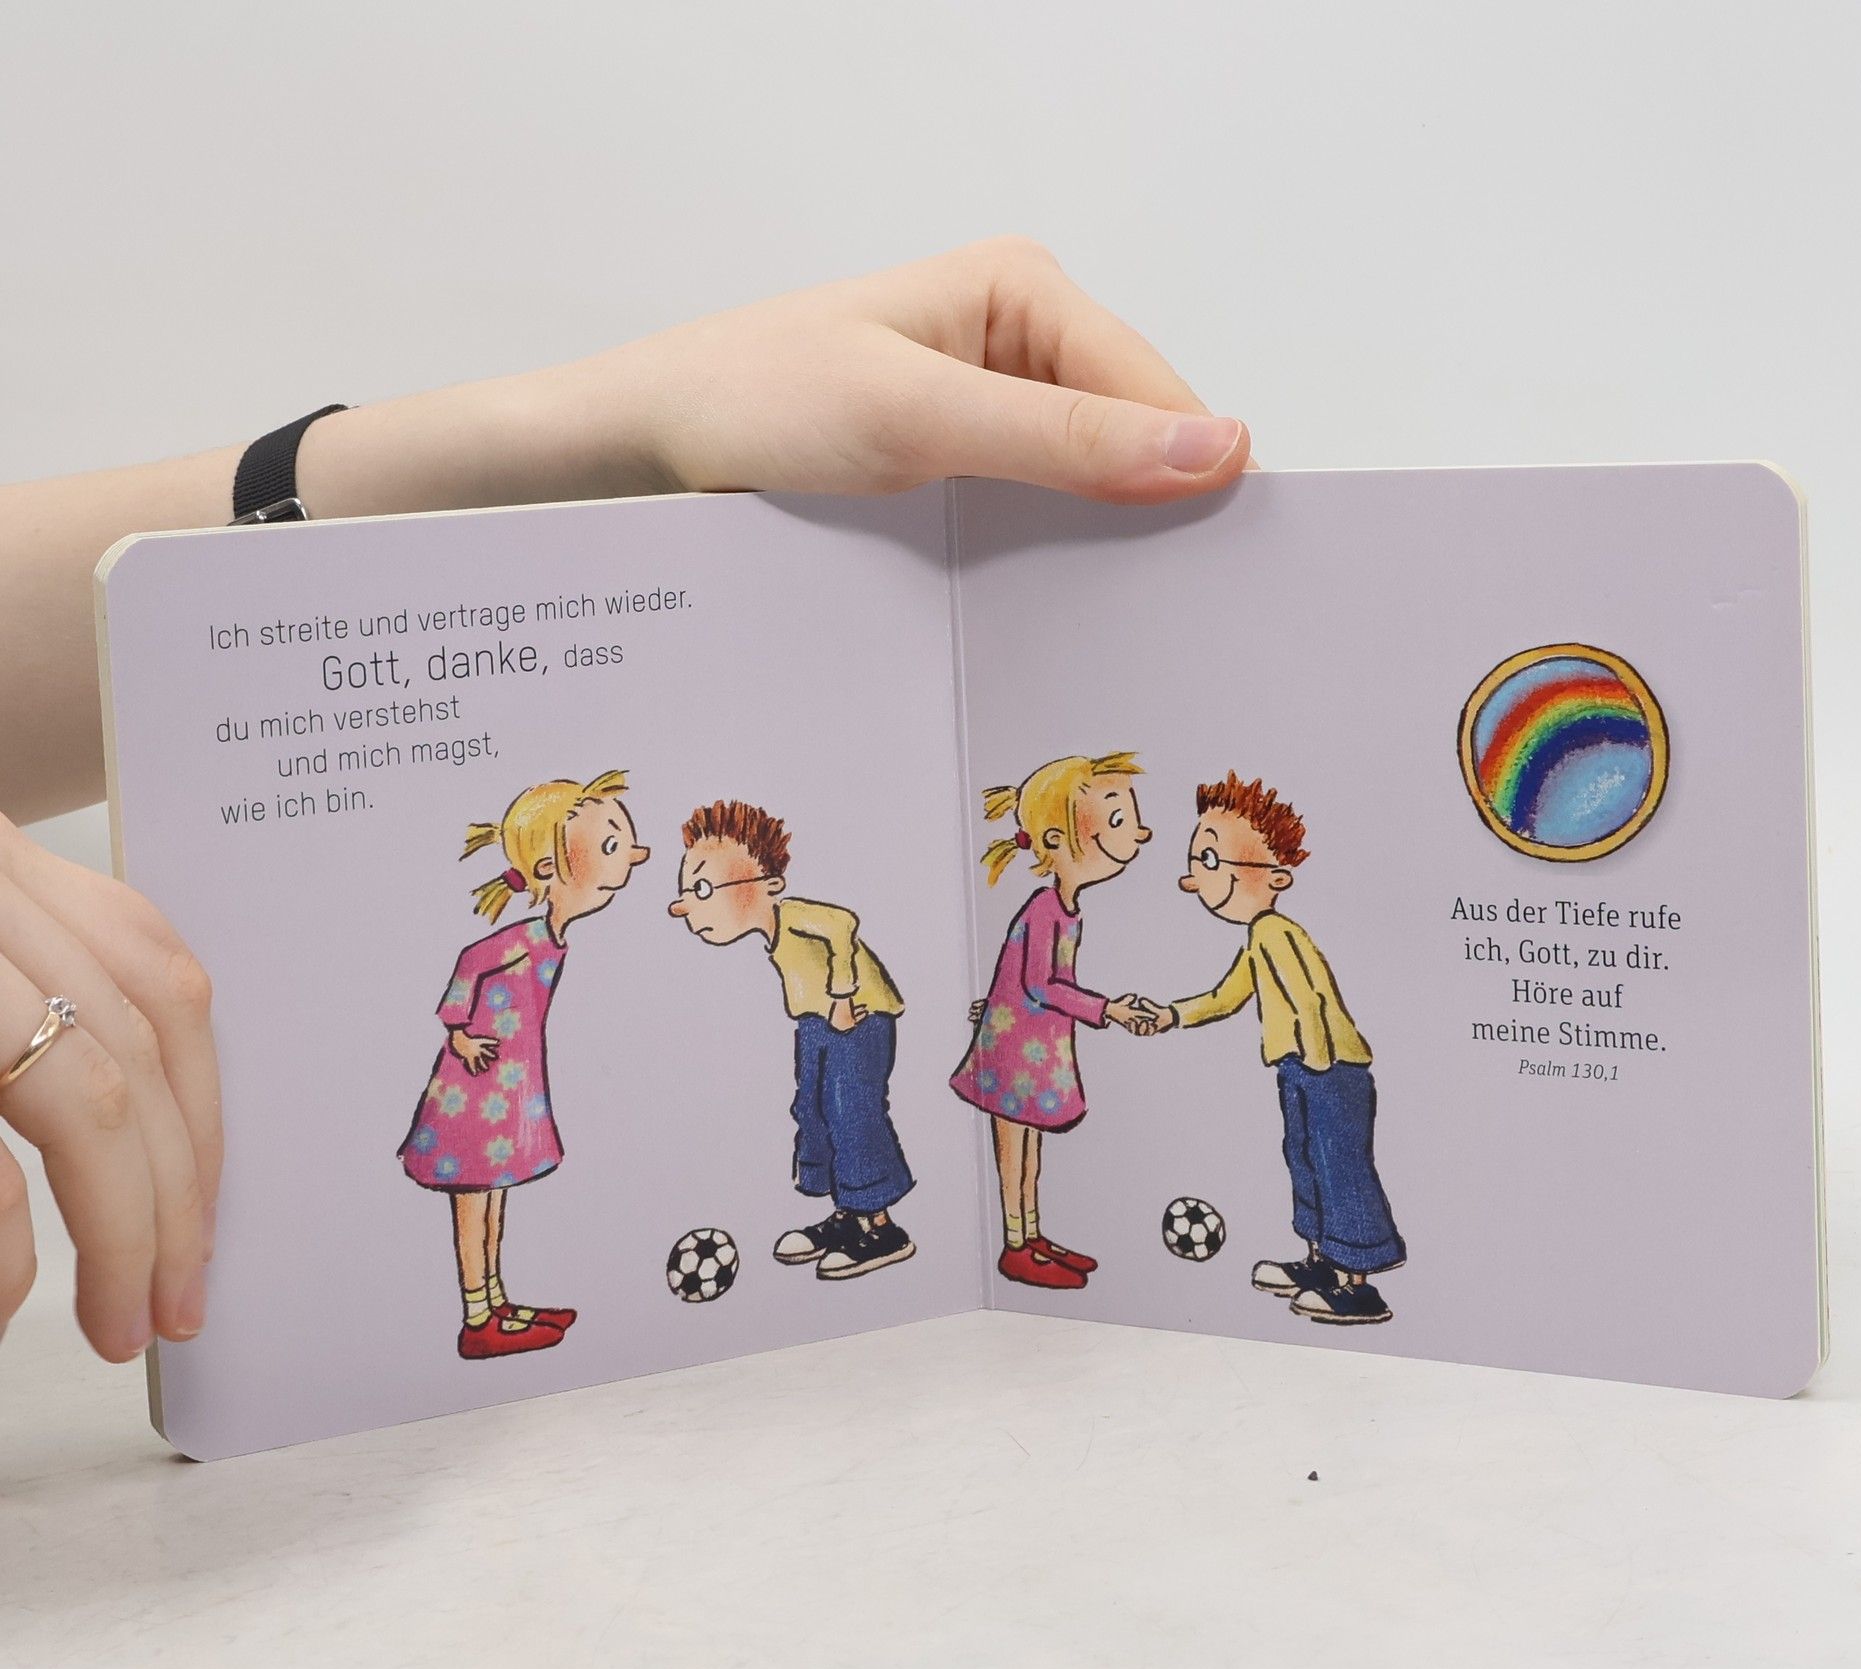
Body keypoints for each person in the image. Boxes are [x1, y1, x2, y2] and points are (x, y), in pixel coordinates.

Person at [0, 239, 1252, 1363]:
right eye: (629, 849)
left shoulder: (784, 922)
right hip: (519, 1094)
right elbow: (473, 983)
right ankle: (576, 1285)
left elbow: (857, 958)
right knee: (818, 1123)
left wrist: (627, 418)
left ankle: (830, 1228)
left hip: (811, 1042)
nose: (652, 868)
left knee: (838, 1118)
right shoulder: (542, 939)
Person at [399, 771, 649, 1357]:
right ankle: (476, 1319)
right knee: (474, 1199)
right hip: (473, 1088)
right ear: (548, 869)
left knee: (495, 1196)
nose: (632, 856)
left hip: (509, 1085)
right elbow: (470, 961)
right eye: (610, 846)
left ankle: (496, 1303)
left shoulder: (550, 937)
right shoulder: (525, 938)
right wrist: (458, 1031)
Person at [1143, 772, 1407, 1325]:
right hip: (1299, 1069)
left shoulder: (1276, 932)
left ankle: (1358, 1286)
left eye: (1211, 860)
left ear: (1275, 876)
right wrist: (1171, 1015)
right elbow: (1226, 997)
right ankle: (1321, 1263)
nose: (1196, 879)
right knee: (1303, 1158)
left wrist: (1316, 1065)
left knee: (1338, 1167)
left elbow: (1310, 1000)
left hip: (1330, 1069)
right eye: (1197, 862)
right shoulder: (1257, 937)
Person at [669, 801, 915, 1280]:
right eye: (686, 893)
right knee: (811, 1110)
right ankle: (848, 1215)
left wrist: (842, 996)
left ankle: (883, 1229)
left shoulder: (794, 913)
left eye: (702, 889)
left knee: (850, 1111)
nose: (686, 907)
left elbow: (843, 925)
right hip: (817, 1022)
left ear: (770, 884)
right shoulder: (772, 934)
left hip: (858, 1018)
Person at [949, 754, 1156, 1289]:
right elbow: (1040, 984)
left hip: (1033, 1046)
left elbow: (1024, 977)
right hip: (1011, 1052)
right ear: (1057, 840)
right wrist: (1108, 1009)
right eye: (1117, 820)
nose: (1139, 833)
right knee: (1013, 1153)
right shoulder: (1045, 907)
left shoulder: (1065, 909)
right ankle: (1014, 1245)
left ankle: (1032, 1235)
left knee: (1031, 1151)